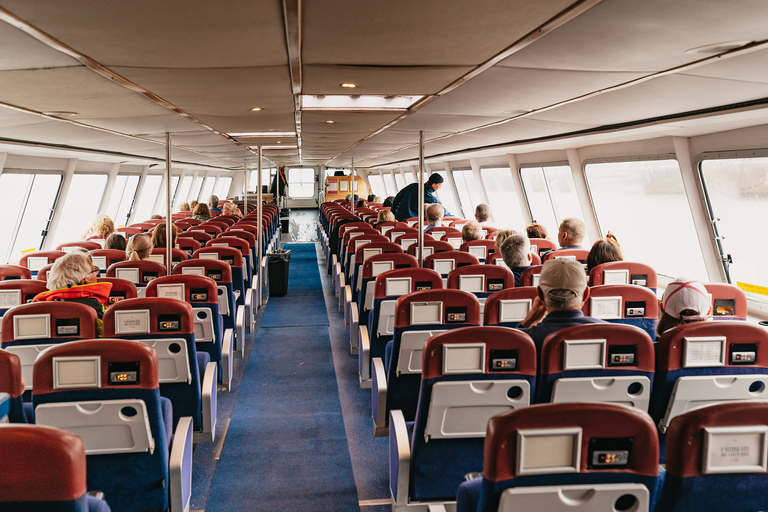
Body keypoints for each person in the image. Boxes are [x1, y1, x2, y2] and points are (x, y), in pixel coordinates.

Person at [516, 258, 604, 353]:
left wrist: (528, 321)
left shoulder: (524, 340)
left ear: (540, 294)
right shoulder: (613, 332)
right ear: (586, 294)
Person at [33, 251, 111, 337]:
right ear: (84, 280)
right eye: (94, 271)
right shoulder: (94, 306)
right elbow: (105, 337)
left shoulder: (39, 305)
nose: (96, 275)